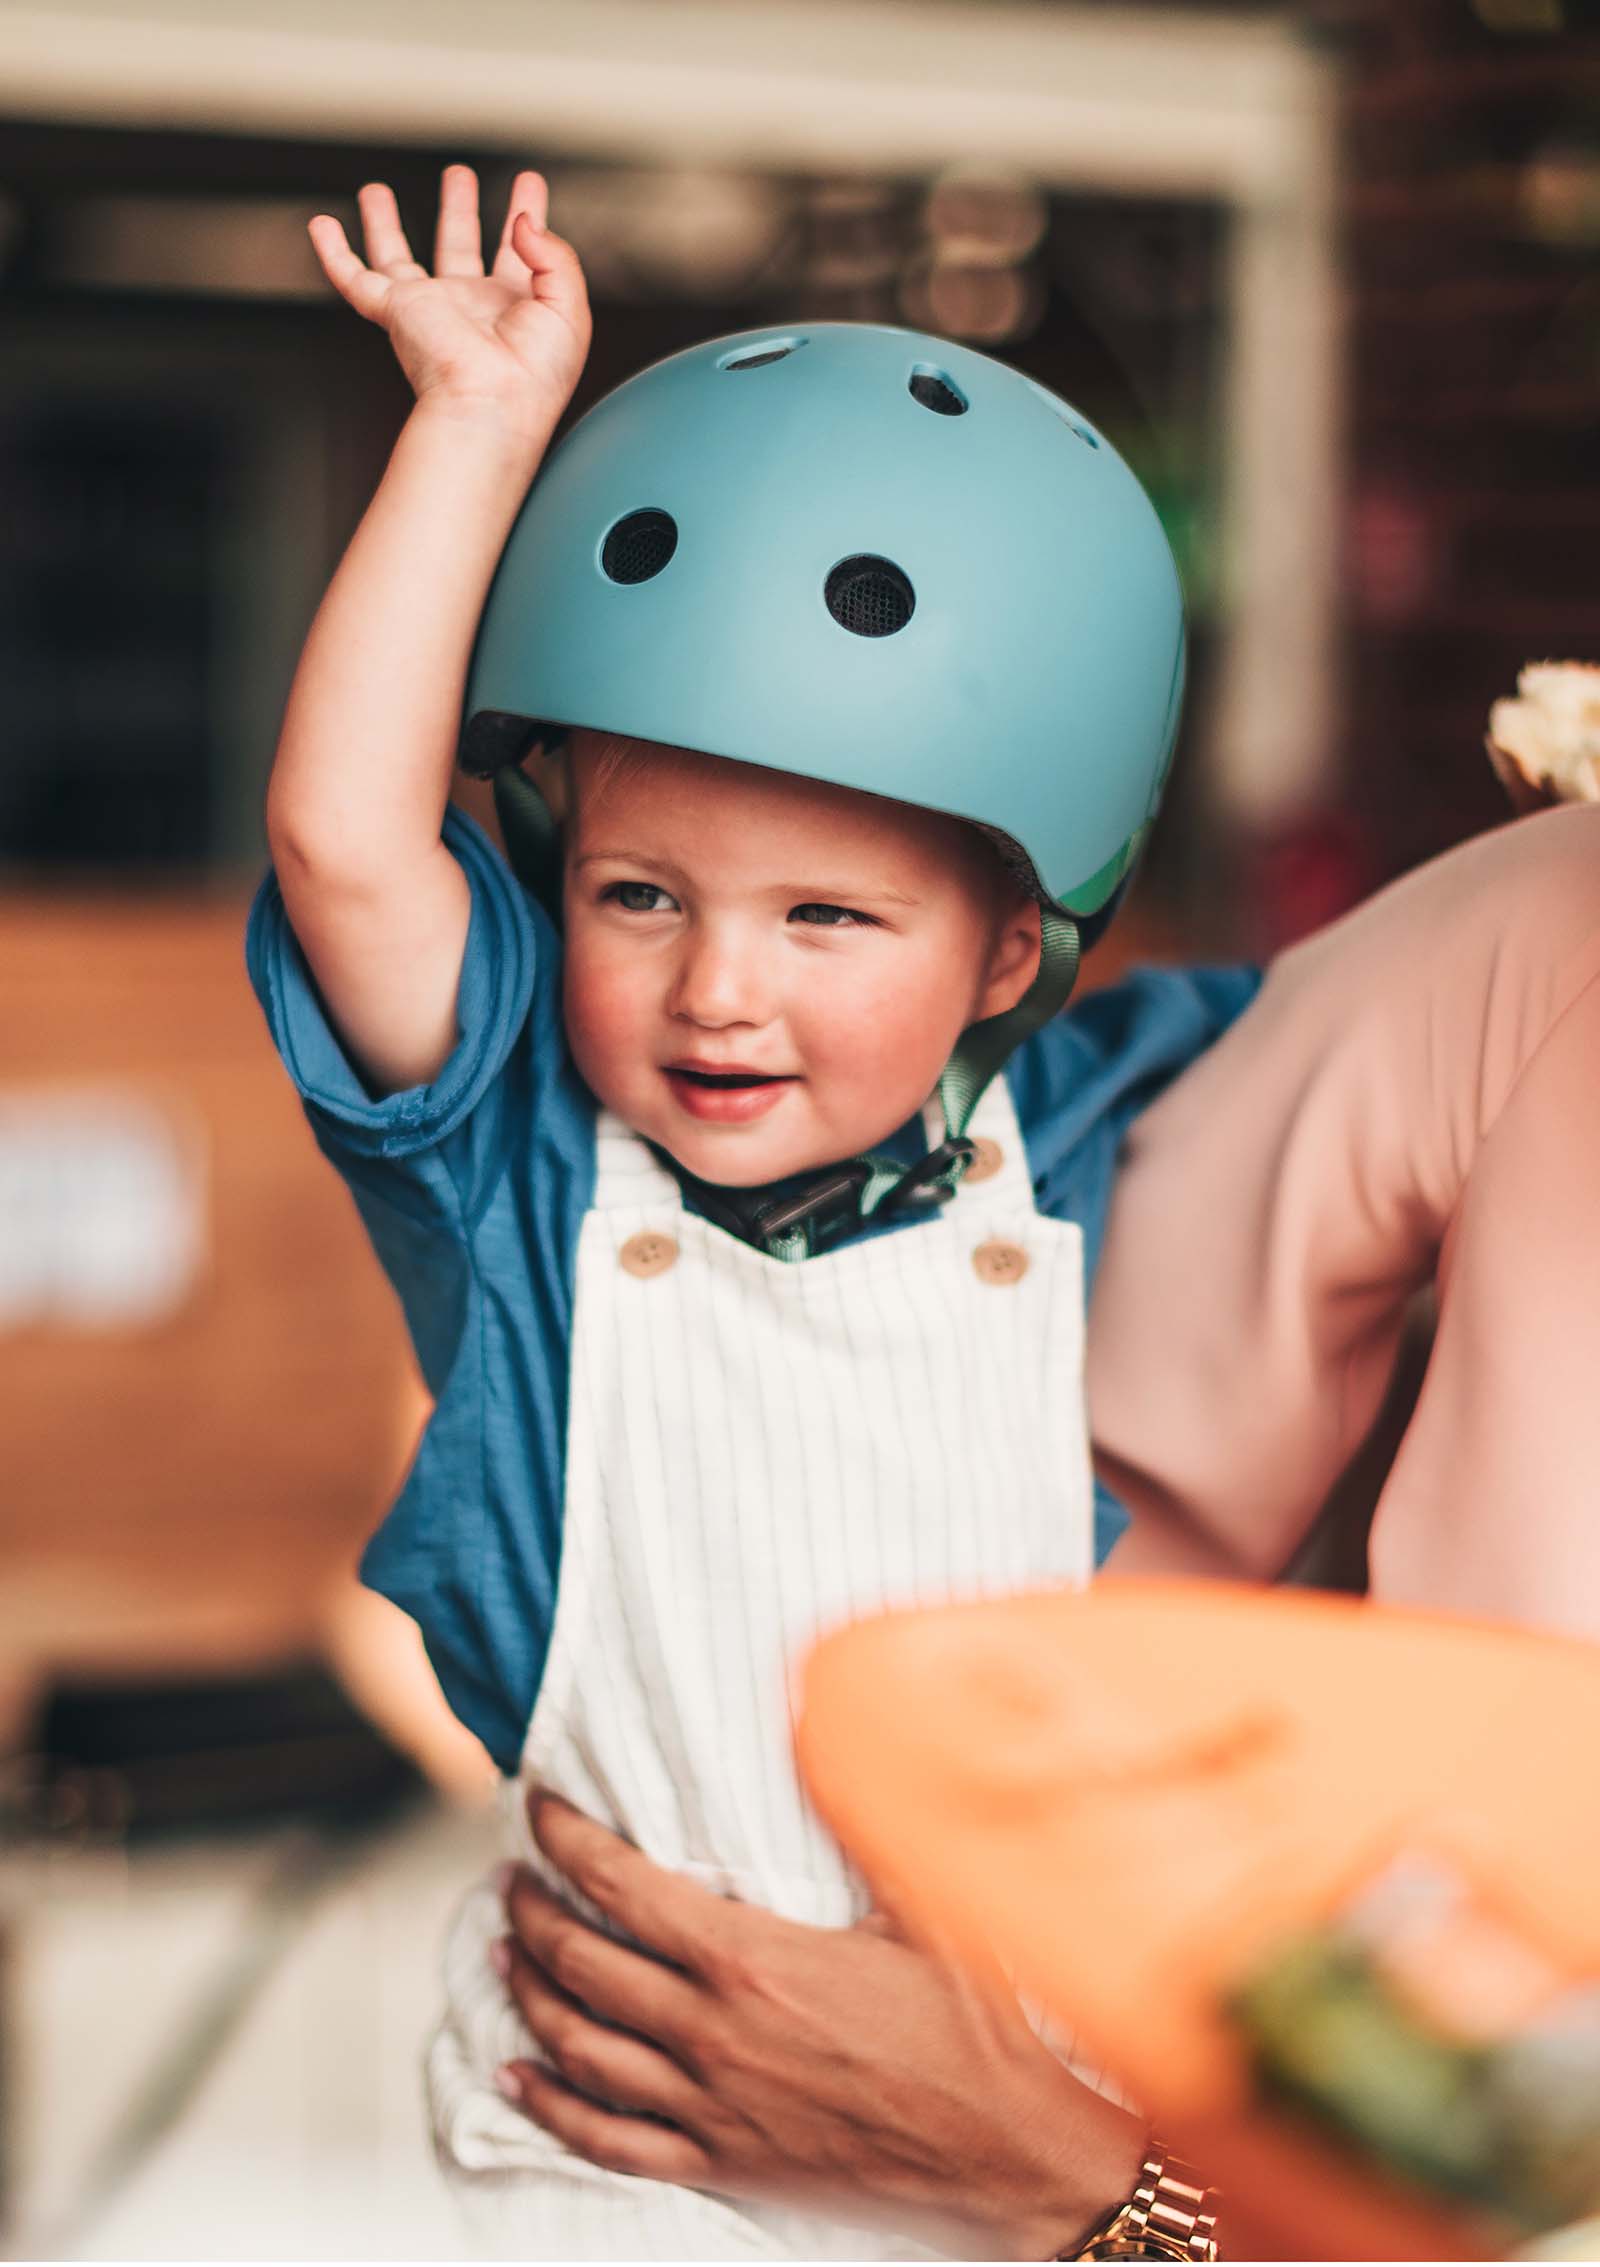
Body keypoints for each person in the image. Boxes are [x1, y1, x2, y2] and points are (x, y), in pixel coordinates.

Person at [247, 161, 1257, 2260]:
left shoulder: (1084, 1123)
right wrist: (477, 429)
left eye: (826, 917)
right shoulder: (520, 1160)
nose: (717, 987)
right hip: (619, 2141)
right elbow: (345, 847)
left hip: (998, 2099)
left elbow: (1435, 1044)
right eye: (639, 895)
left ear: (1009, 951)